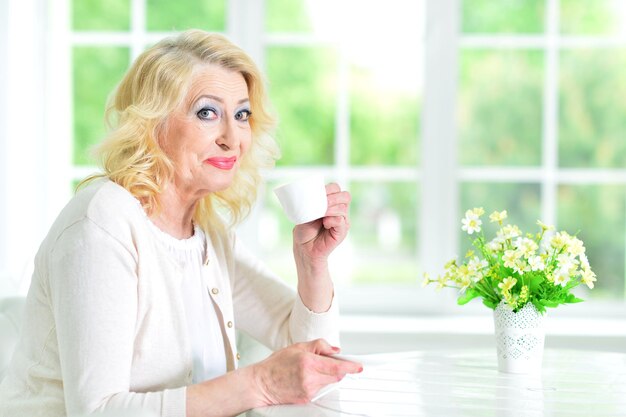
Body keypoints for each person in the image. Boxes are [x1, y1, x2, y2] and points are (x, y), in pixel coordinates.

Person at [0, 29, 361, 417]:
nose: (233, 138)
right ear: (152, 124)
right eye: (207, 112)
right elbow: (96, 411)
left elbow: (313, 358)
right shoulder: (102, 222)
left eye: (242, 115)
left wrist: (312, 265)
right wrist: (258, 384)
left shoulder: (207, 234)